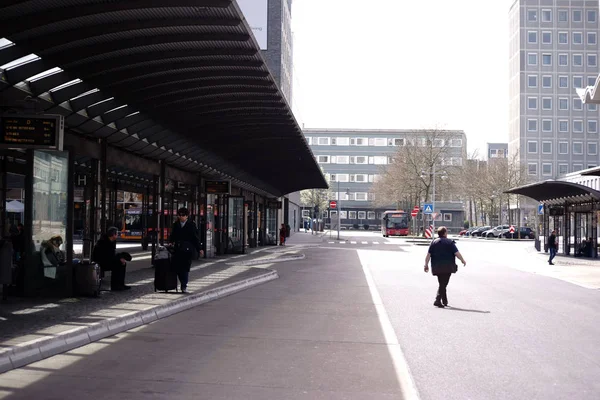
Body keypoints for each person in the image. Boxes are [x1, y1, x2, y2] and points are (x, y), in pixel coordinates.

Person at [424, 226, 467, 308]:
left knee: (442, 283)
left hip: (436, 266)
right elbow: (457, 253)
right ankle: (437, 300)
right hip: (448, 266)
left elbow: (428, 255)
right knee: (443, 284)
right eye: (446, 232)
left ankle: (444, 301)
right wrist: (462, 260)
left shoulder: (433, 242)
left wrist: (426, 265)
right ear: (444, 233)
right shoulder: (450, 242)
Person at [169, 207, 201, 293]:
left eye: (183, 215)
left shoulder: (191, 225)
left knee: (185, 268)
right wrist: (171, 242)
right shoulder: (176, 224)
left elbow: (195, 238)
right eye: (179, 215)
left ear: (187, 216)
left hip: (187, 250)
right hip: (177, 249)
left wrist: (199, 249)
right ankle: (181, 283)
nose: (181, 217)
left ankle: (184, 285)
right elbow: (172, 235)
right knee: (177, 268)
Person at [93, 227, 130, 291]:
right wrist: (119, 259)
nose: (118, 235)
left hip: (106, 260)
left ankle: (120, 284)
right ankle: (116, 286)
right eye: (117, 234)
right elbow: (108, 256)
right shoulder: (104, 242)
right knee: (118, 264)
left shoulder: (109, 241)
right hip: (101, 262)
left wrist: (120, 258)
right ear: (113, 235)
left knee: (122, 263)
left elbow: (111, 255)